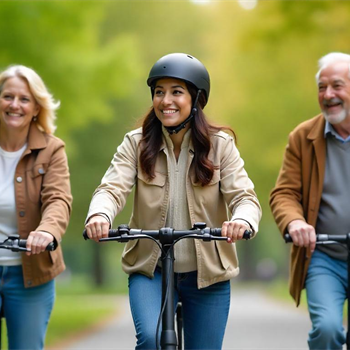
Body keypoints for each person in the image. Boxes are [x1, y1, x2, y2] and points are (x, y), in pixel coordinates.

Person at [85, 52, 261, 350]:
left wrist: (242, 221)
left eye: (176, 92)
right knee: (152, 341)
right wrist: (99, 215)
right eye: (159, 92)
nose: (166, 101)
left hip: (208, 276)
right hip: (150, 269)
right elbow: (111, 188)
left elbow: (244, 196)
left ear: (196, 99)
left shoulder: (220, 145)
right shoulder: (136, 143)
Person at [270, 52, 350, 350]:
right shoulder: (302, 137)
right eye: (322, 88)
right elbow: (284, 193)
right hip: (323, 257)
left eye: (337, 86)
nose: (328, 95)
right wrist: (295, 221)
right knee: (328, 329)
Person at [0, 65, 72, 350]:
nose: (15, 105)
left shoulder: (51, 149)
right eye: (8, 96)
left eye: (24, 99)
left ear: (35, 107)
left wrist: (47, 231)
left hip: (31, 271)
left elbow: (58, 200)